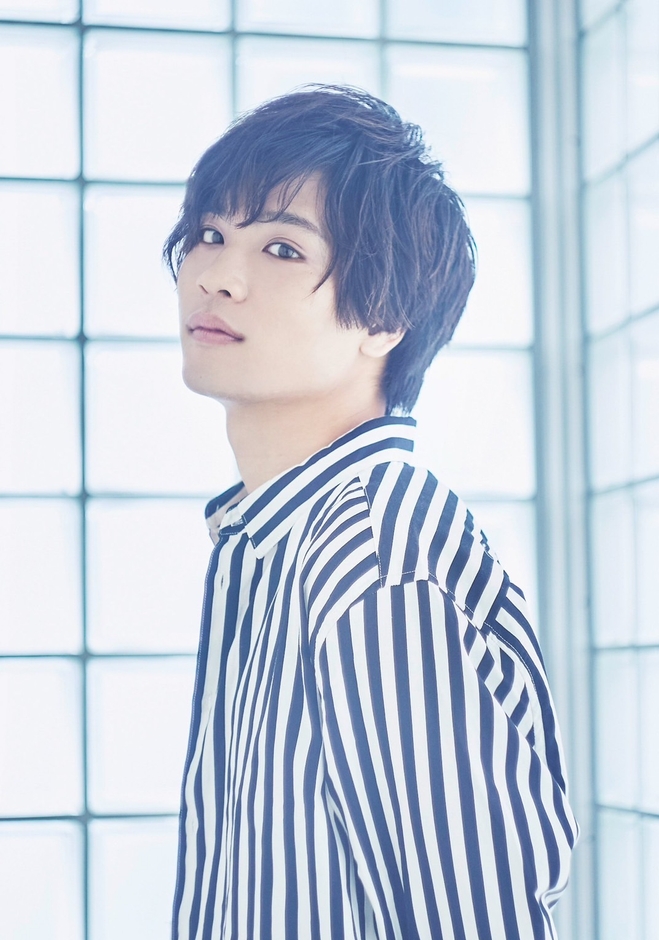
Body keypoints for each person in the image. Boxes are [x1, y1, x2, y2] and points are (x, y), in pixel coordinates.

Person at [163, 85, 578, 940]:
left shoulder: (377, 561)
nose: (216, 276)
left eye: (282, 248)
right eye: (209, 234)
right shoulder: (272, 540)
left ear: (383, 317)